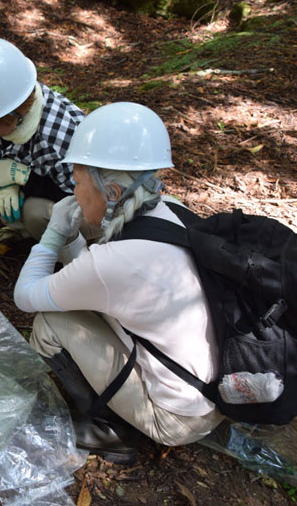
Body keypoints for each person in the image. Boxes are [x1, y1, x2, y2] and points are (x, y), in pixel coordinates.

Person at [13, 102, 224, 464]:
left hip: (178, 418)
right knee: (85, 309)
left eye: (77, 183)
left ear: (110, 193)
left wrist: (52, 234)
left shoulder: (114, 263)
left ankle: (112, 429)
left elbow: (26, 296)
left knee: (49, 323)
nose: (72, 193)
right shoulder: (170, 208)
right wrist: (71, 240)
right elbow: (99, 280)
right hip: (214, 391)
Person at [0, 37, 97, 252]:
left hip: (88, 206)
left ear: (9, 119)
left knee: (35, 213)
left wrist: (24, 179)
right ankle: (27, 233)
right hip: (40, 182)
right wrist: (5, 181)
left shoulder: (58, 138)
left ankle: (69, 257)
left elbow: (83, 198)